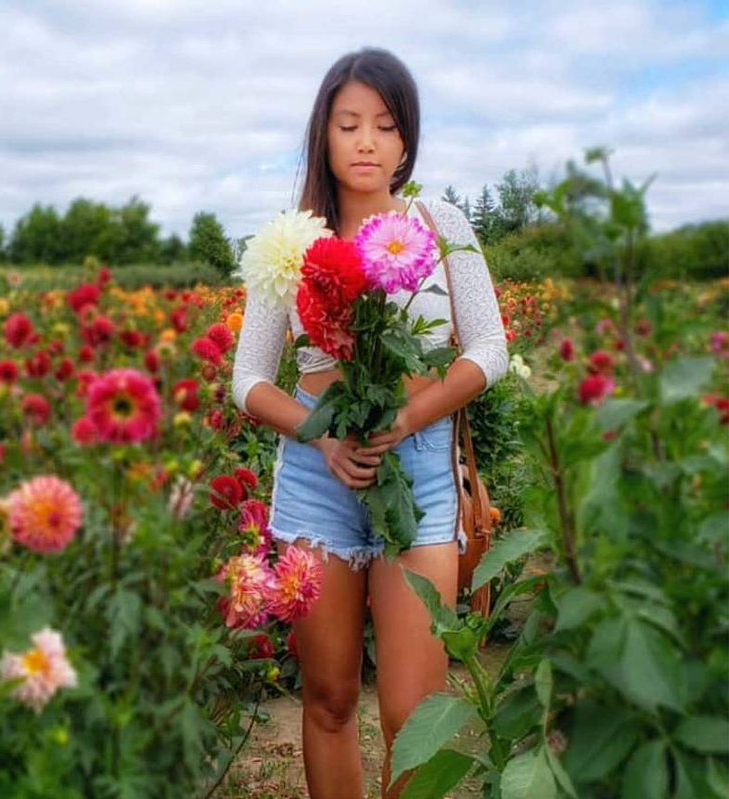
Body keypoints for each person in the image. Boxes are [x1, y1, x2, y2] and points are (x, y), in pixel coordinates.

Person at [230, 47, 508, 798]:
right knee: (326, 700)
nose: (365, 141)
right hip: (319, 487)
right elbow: (247, 379)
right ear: (323, 135)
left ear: (407, 141)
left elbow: (490, 348)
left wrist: (412, 413)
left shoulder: (438, 222)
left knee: (411, 714)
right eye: (348, 123)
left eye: (384, 126)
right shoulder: (291, 241)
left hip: (415, 479)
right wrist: (320, 433)